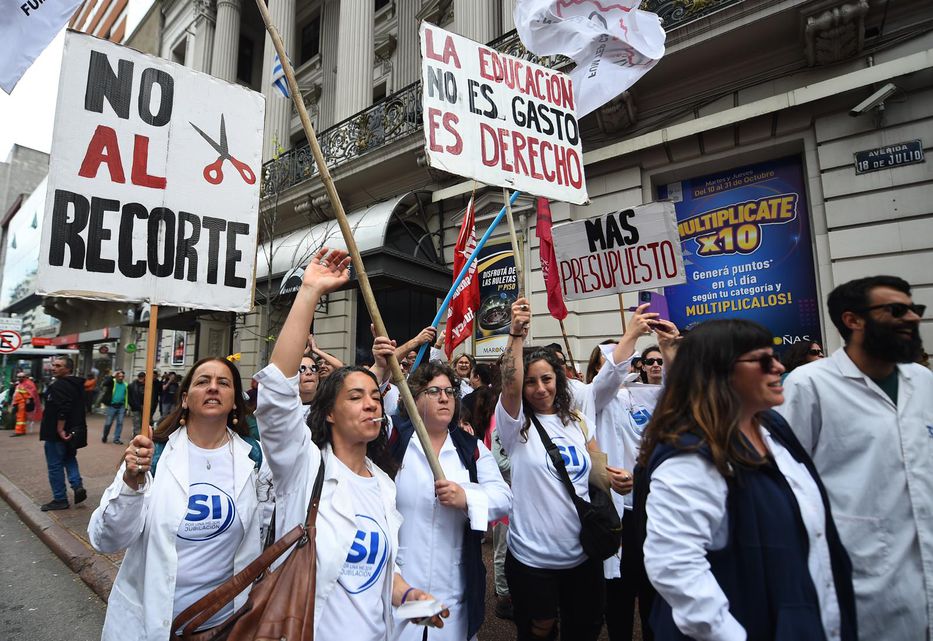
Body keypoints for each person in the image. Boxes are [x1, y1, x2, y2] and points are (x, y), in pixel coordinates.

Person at [255, 248, 447, 639]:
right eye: (356, 397)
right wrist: (308, 292)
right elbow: (276, 392)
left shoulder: (382, 484)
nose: (371, 403)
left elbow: (379, 571)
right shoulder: (303, 467)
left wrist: (410, 595)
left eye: (375, 397)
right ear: (328, 412)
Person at [639, 319, 856, 641]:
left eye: (776, 357)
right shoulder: (690, 458)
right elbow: (675, 568)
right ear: (719, 371)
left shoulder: (775, 430)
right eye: (764, 360)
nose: (778, 368)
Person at [778, 275, 932, 640]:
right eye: (897, 310)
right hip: (860, 574)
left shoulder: (923, 381)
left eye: (914, 309)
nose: (911, 318)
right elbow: (786, 481)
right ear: (853, 320)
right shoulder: (809, 385)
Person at [88, 357, 271, 641]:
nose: (213, 388)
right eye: (202, 382)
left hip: (228, 625)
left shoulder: (255, 457)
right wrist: (130, 484)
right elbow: (106, 540)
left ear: (235, 400)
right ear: (185, 398)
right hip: (157, 625)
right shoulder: (152, 454)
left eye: (223, 383)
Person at [497, 297, 627, 641]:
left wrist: (617, 480)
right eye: (531, 382)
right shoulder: (516, 425)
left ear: (559, 380)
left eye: (547, 379)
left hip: (583, 555)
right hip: (533, 560)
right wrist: (516, 334)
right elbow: (509, 381)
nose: (540, 388)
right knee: (539, 629)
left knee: (584, 627)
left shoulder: (578, 421)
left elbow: (597, 473)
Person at [385, 360, 511, 641]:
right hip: (401, 584)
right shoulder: (396, 441)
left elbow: (504, 497)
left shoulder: (471, 448)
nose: (444, 397)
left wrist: (467, 497)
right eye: (433, 391)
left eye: (450, 391)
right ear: (413, 398)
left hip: (453, 589)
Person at [585, 306, 680, 641]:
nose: (623, 364)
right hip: (619, 510)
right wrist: (631, 334)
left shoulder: (646, 395)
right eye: (611, 360)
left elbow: (679, 391)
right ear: (597, 370)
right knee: (620, 592)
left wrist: (668, 347)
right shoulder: (594, 400)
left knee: (656, 586)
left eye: (629, 357)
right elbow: (609, 379)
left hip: (653, 505)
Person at [39, 357, 87, 511]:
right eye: (53, 365)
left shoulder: (59, 385)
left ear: (68, 369)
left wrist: (60, 428)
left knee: (55, 466)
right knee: (69, 458)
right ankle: (77, 485)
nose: (54, 368)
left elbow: (63, 409)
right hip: (72, 432)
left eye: (58, 366)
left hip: (57, 434)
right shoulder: (76, 384)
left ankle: (60, 499)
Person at [101, 370, 129, 444]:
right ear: (116, 376)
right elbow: (105, 383)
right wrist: (112, 376)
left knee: (120, 423)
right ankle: (105, 436)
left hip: (121, 407)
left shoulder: (125, 385)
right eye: (119, 376)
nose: (120, 378)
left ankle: (116, 439)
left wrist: (126, 406)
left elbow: (126, 396)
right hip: (112, 406)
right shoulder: (112, 382)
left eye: (122, 376)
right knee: (108, 423)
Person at [11, 371, 41, 436]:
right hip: (18, 403)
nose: (19, 378)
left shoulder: (28, 384)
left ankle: (19, 431)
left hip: (22, 403)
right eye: (18, 377)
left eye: (21, 377)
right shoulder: (20, 384)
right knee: (21, 418)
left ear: (25, 377)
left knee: (20, 418)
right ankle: (21, 430)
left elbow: (32, 393)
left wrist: (27, 400)